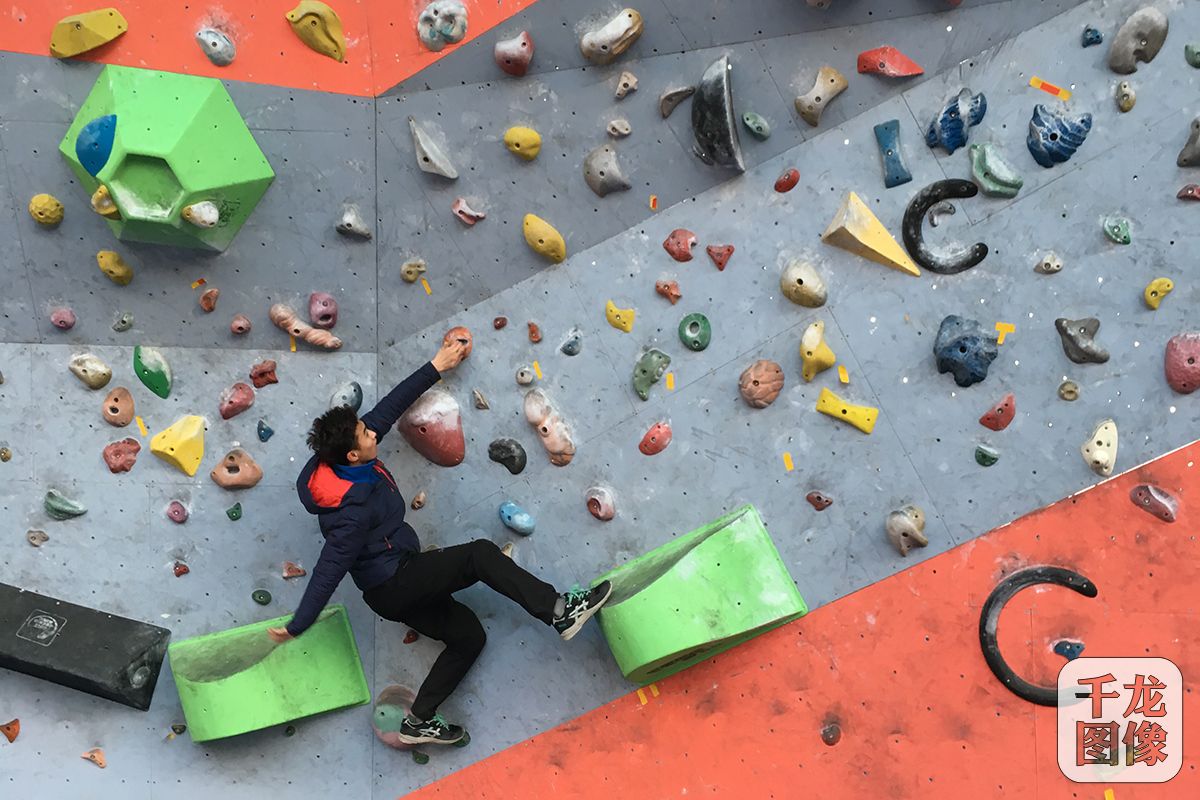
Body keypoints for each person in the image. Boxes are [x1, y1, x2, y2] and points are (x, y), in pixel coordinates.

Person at [267, 338, 611, 745]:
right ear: (353, 455)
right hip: (395, 582)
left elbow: (389, 407)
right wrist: (298, 624)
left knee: (469, 637)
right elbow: (329, 569)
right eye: (365, 433)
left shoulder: (342, 458)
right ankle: (559, 611)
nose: (372, 431)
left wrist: (437, 364)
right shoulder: (349, 513)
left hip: (394, 585)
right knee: (479, 556)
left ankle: (419, 720)